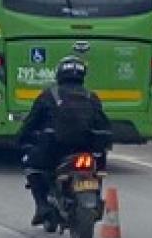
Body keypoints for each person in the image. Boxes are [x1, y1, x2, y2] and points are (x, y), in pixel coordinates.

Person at [17, 55, 111, 226]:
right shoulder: (92, 96)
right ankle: (97, 199)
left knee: (30, 165)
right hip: (87, 148)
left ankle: (42, 206)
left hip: (55, 147)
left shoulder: (49, 95)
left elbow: (31, 122)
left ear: (59, 74)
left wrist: (22, 139)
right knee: (99, 168)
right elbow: (103, 124)